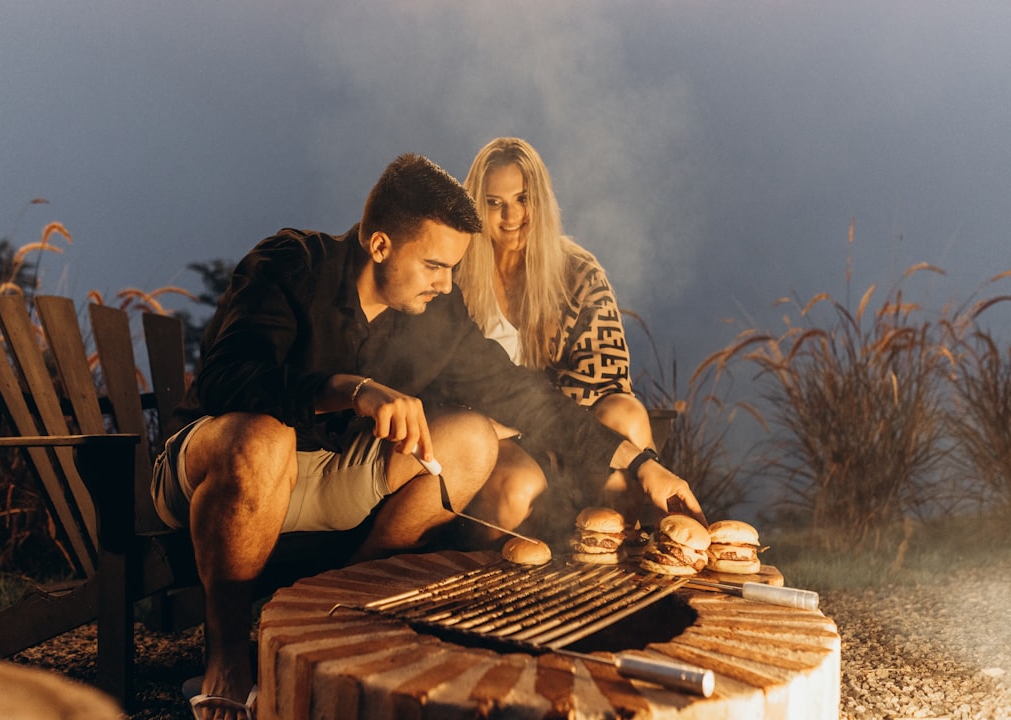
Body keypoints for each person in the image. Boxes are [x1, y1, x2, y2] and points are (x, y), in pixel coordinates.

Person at [151, 153, 704, 719]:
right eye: (435, 266)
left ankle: (338, 618)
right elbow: (226, 381)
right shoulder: (290, 264)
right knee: (262, 439)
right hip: (220, 468)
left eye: (454, 269)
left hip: (330, 478)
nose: (446, 284)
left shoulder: (436, 317)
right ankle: (227, 658)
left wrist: (642, 465)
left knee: (470, 437)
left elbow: (524, 397)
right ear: (381, 244)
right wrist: (348, 387)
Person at [456, 137, 659, 538]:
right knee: (517, 488)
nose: (511, 215)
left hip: (563, 425)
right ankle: (499, 578)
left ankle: (617, 561)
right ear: (477, 205)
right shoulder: (455, 272)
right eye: (495, 202)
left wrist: (535, 423)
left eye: (523, 198)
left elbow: (608, 377)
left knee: (628, 415)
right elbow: (444, 372)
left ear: (541, 201)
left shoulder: (578, 272)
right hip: (492, 431)